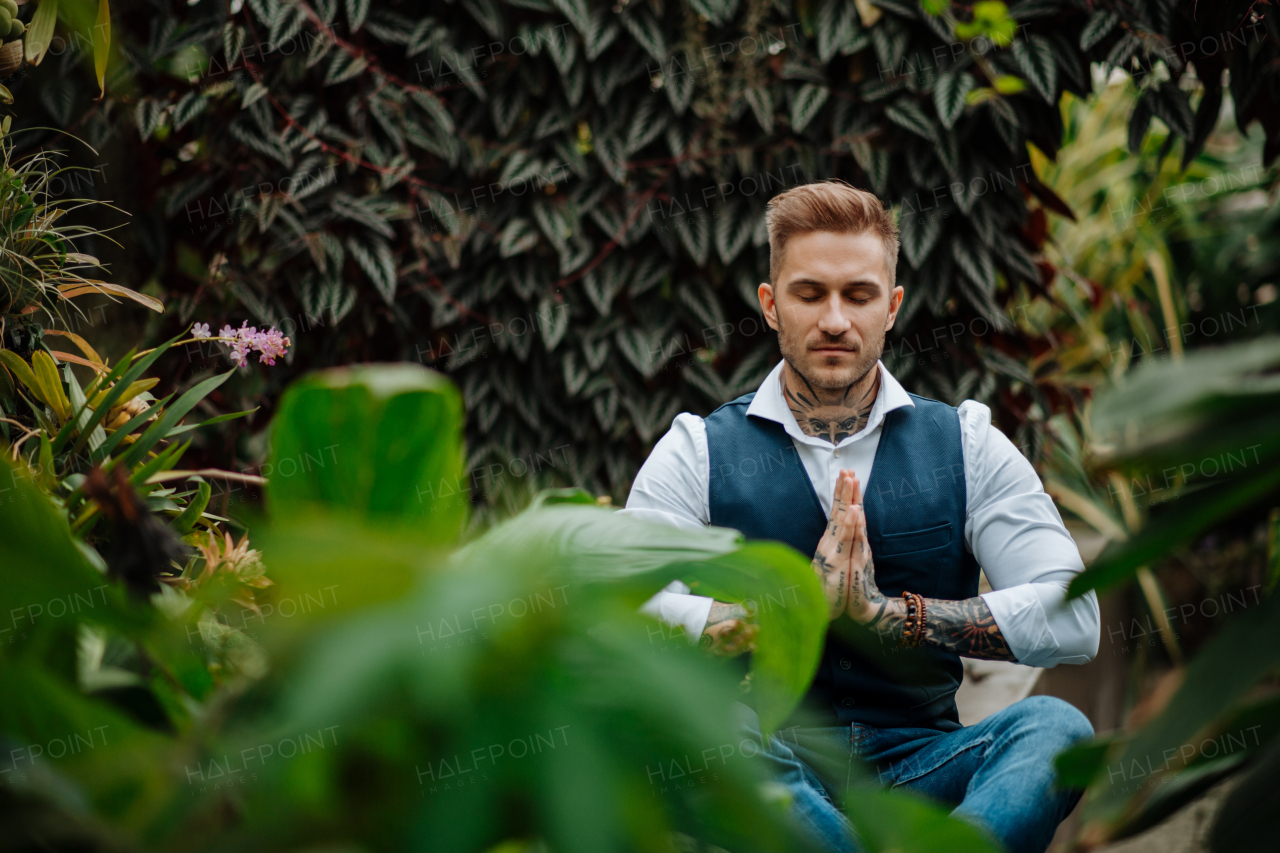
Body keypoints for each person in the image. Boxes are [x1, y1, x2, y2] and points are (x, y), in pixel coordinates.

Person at [624, 180, 1100, 853]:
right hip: (768, 758)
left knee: (1057, 730)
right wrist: (775, 617)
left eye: (859, 294)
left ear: (892, 306)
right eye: (810, 293)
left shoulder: (967, 443)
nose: (835, 320)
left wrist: (889, 614)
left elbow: (1075, 618)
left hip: (921, 764)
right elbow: (624, 607)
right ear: (770, 304)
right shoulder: (696, 451)